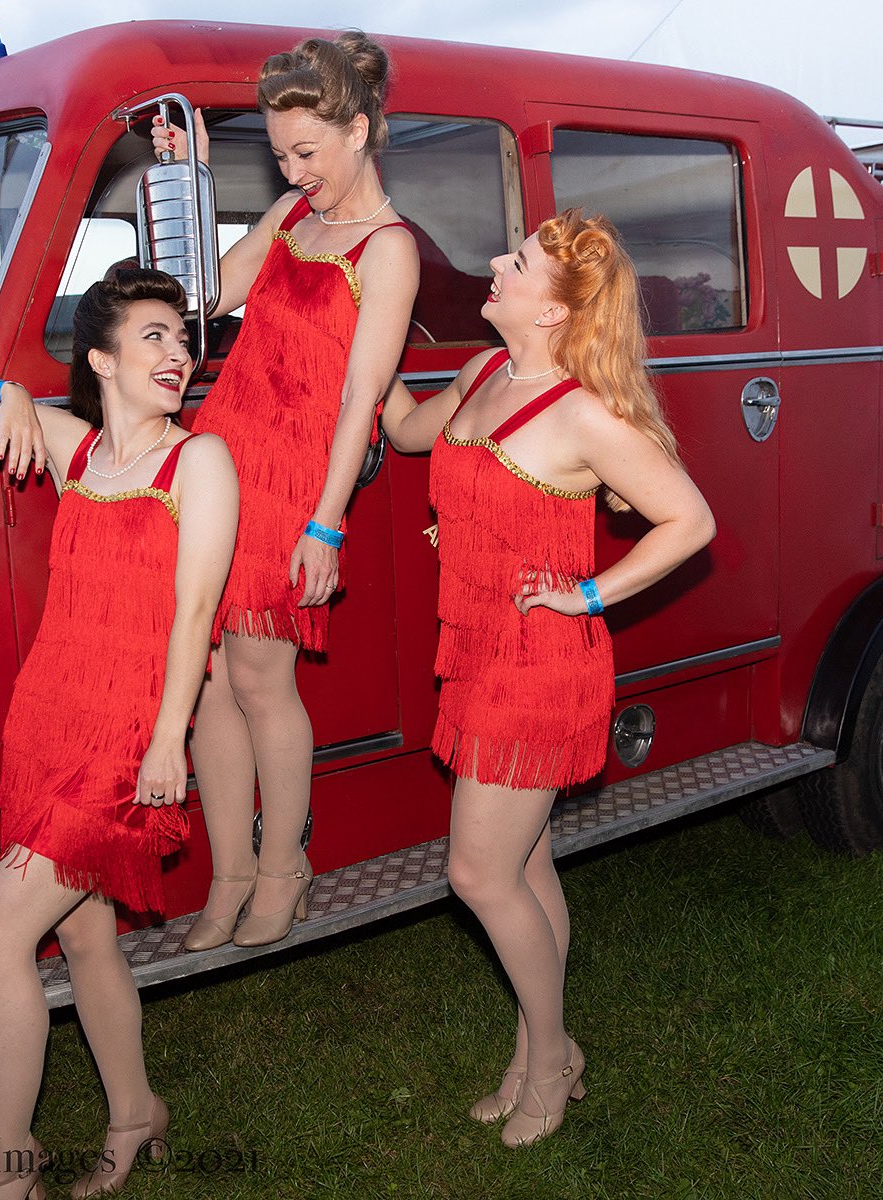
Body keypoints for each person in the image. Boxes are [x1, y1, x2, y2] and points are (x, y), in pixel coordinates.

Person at [382, 210, 715, 1147]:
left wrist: (587, 594)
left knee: (477, 873)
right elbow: (409, 435)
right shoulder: (484, 371)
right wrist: (353, 357)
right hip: (474, 650)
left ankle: (554, 1056)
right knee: (525, 865)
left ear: (558, 309)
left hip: (538, 666)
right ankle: (538, 1055)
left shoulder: (583, 412)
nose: (494, 261)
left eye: (517, 261)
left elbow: (688, 521)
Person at [0, 267, 238, 1198]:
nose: (178, 352)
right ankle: (135, 1110)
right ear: (101, 358)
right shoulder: (76, 449)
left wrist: (168, 736)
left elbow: (195, 615)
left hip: (123, 735)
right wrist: (7, 392)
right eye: (154, 336)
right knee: (89, 939)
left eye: (182, 338)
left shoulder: (201, 462)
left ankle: (4, 1172)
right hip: (45, 721)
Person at [150, 32, 419, 951]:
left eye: (307, 152)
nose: (294, 170)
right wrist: (190, 191)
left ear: (360, 129)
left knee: (263, 680)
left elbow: (361, 400)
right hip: (221, 456)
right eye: (278, 155)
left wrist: (326, 525)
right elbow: (211, 297)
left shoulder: (388, 247)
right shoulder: (295, 219)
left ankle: (283, 869)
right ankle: (227, 878)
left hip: (293, 477)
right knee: (211, 679)